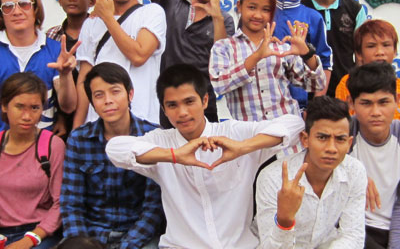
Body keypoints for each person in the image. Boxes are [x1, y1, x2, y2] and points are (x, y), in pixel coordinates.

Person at [106, 63, 304, 249]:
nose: (182, 112)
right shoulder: (161, 142)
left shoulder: (233, 133)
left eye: (189, 102)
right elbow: (115, 149)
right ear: (164, 110)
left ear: (205, 100)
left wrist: (242, 147)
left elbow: (295, 124)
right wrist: (174, 155)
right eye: (172, 105)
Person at [61, 62, 163, 249]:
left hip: (139, 236)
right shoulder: (79, 139)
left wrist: (126, 246)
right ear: (92, 102)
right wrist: (83, 244)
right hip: (91, 236)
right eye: (99, 95)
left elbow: (154, 208)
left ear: (130, 94)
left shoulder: (153, 137)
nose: (108, 100)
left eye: (115, 91)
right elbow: (71, 203)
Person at [209, 0, 326, 121]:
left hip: (287, 136)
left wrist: (307, 55)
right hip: (248, 138)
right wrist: (256, 56)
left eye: (265, 9)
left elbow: (317, 85)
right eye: (252, 7)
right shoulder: (224, 47)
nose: (258, 15)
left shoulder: (281, 48)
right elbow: (220, 85)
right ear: (239, 6)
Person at [74, 0, 166, 127]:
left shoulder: (152, 12)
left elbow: (138, 56)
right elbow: (85, 79)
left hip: (142, 122)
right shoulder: (91, 23)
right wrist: (77, 128)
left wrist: (108, 18)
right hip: (97, 125)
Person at [256, 96, 367, 248]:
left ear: (349, 143)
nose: (331, 148)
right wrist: (284, 221)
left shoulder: (355, 171)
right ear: (305, 139)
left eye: (340, 139)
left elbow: (353, 236)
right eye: (322, 137)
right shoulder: (273, 177)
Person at [139, 0, 235, 127]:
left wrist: (216, 17)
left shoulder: (225, 19)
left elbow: (221, 60)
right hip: (165, 104)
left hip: (203, 107)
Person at [0, 0, 78, 132]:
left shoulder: (55, 50)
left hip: (42, 148)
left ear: (35, 9)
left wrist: (66, 75)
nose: (16, 12)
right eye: (8, 7)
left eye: (24, 4)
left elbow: (68, 107)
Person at [0, 72, 65, 248]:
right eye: (19, 107)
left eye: (34, 108)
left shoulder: (53, 146)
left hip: (39, 232)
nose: (27, 116)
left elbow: (61, 201)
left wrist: (30, 239)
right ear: (4, 106)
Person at [267, 0, 332, 108]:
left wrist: (316, 106)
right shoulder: (259, 13)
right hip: (261, 106)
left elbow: (324, 63)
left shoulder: (312, 17)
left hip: (298, 107)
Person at [301, 0, 367, 96]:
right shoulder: (300, 10)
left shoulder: (355, 10)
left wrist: (357, 92)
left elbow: (361, 56)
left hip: (345, 94)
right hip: (309, 95)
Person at [347, 62, 400, 248]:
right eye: (366, 103)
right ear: (351, 103)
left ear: (397, 100)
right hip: (353, 229)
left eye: (383, 102)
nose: (376, 112)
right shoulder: (342, 134)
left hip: (393, 229)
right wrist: (354, 173)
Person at [46, 0, 95, 138]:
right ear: (60, 0)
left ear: (92, 0)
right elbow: (50, 80)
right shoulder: (51, 35)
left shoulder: (101, 32)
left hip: (94, 113)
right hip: (61, 118)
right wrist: (59, 116)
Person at [336, 19, 400, 119]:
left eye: (386, 45)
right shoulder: (347, 83)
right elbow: (342, 122)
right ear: (359, 53)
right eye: (371, 46)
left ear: (395, 50)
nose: (380, 52)